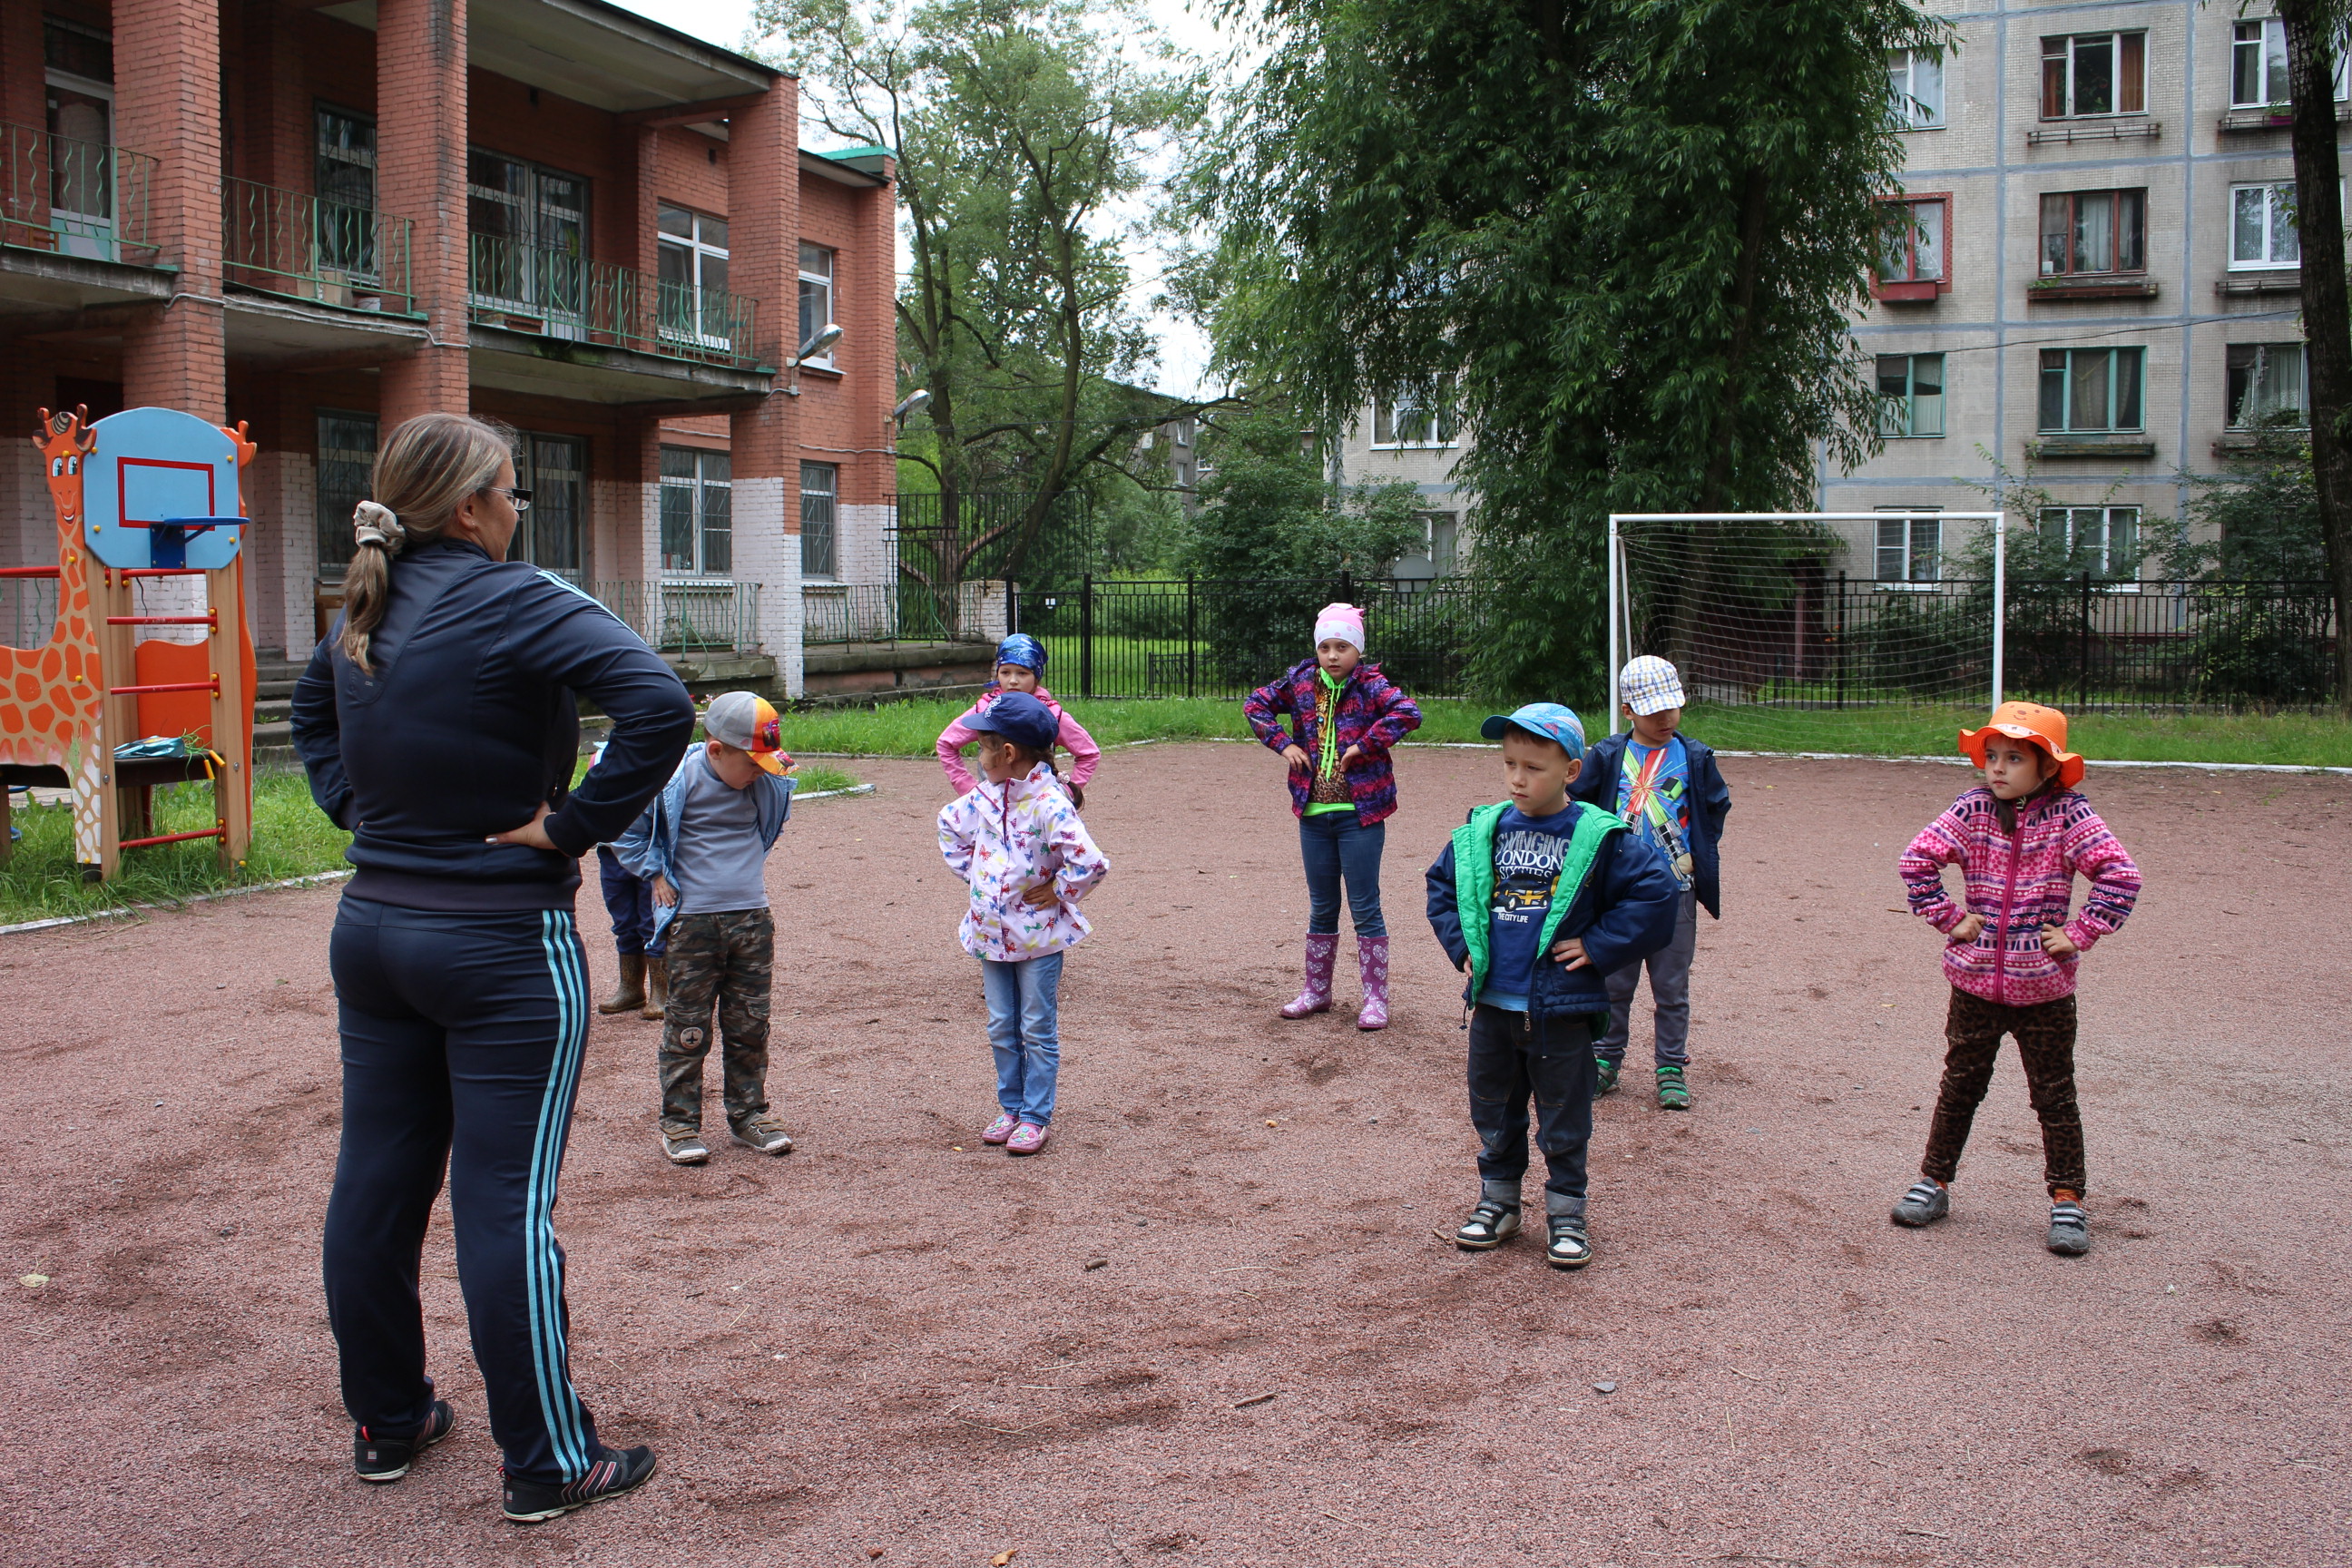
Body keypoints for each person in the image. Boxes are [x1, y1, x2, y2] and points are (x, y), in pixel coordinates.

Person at [290, 412, 691, 1524]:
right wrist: (570, 830)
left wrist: (356, 812)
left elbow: (309, 712)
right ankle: (550, 1462)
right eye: (512, 492)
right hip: (499, 941)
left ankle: (388, 1420)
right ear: (470, 508)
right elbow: (660, 703)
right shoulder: (519, 596)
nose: (521, 511)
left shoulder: (362, 605)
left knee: (374, 1184)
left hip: (373, 931)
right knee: (505, 1204)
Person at [1426, 703, 1681, 1271]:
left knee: (1565, 1117)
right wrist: (1464, 948)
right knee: (1493, 1108)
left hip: (1561, 1011)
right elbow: (1442, 886)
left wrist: (1599, 945)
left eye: (1534, 767)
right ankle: (1499, 1203)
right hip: (1493, 1006)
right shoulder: (1483, 830)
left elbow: (1658, 893)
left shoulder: (1597, 836)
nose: (1518, 778)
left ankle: (1566, 1212)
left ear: (1571, 770)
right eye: (1510, 763)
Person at [1891, 701, 2141, 1256]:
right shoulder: (1974, 808)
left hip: (2045, 992)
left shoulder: (2070, 816)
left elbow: (2121, 876)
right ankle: (1934, 1182)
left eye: (2014, 758)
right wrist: (1949, 918)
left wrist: (2080, 933)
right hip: (1974, 984)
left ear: (2048, 767)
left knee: (2054, 1096)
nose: (1997, 769)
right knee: (1960, 1087)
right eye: (1991, 756)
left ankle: (2068, 1201)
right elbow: (1916, 861)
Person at [613, 691, 799, 1167]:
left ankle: (749, 1114)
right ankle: (679, 1123)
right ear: (716, 750)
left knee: (750, 1025)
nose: (761, 772)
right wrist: (656, 872)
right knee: (688, 1028)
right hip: (692, 924)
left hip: (752, 919)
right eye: (752, 763)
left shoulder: (765, 782)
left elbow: (767, 831)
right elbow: (623, 831)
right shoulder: (673, 779)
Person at [936, 691, 1110, 1156]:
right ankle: (1010, 1108)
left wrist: (1059, 891)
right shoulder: (985, 796)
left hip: (1038, 935)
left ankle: (1035, 1115)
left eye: (982, 746)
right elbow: (948, 824)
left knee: (1035, 1025)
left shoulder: (1050, 803)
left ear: (1006, 753)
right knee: (1000, 1024)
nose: (978, 755)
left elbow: (1090, 863)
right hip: (989, 933)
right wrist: (976, 875)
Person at [1242, 603, 1424, 1029]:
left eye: (1342, 646)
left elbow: (1407, 713)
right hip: (1313, 813)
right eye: (1325, 646)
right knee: (1322, 905)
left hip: (1360, 814)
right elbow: (1255, 705)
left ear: (1357, 650)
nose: (1333, 655)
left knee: (1365, 905)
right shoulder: (1302, 679)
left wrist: (1365, 744)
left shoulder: (1370, 685)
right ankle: (1316, 991)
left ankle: (1375, 999)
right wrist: (1284, 744)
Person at [1571, 655, 1732, 1111]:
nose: (1665, 718)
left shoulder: (1695, 756)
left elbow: (1716, 806)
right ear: (1628, 711)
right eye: (1653, 710)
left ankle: (1670, 1069)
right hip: (1618, 895)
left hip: (1675, 892)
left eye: (1672, 708)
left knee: (1671, 988)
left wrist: (1698, 855)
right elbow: (1579, 805)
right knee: (1614, 984)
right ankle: (1605, 1061)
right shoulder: (1606, 755)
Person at [936, 632, 1100, 806]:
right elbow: (946, 743)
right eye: (1005, 672)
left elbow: (1089, 753)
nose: (1013, 681)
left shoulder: (1050, 714)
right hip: (992, 809)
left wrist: (1066, 792)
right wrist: (968, 789)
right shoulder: (986, 710)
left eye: (1022, 673)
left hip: (1038, 810)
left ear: (1036, 677)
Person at [590, 741, 666, 1019]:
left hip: (646, 851)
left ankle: (662, 992)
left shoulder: (656, 755)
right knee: (623, 921)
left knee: (652, 921)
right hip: (611, 851)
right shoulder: (601, 755)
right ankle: (631, 988)